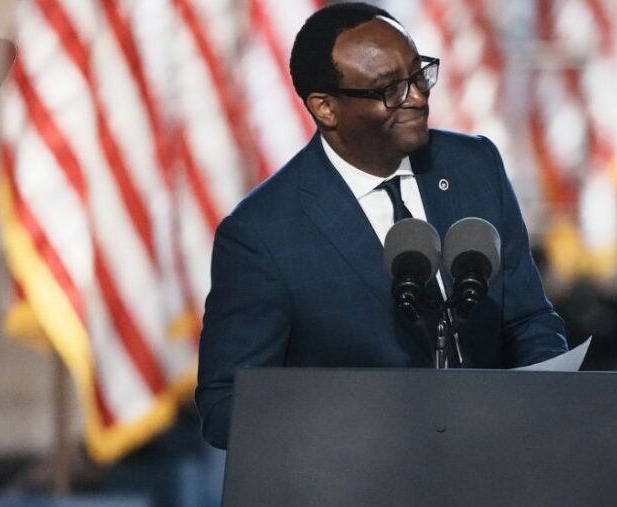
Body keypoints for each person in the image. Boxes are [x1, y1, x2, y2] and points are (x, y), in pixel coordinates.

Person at [195, 2, 568, 449]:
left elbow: (529, 320)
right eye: (389, 89)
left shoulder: (474, 167)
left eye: (418, 74)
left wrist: (551, 410)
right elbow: (225, 404)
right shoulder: (263, 235)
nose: (417, 96)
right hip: (357, 490)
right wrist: (355, 423)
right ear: (326, 108)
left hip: (493, 464)